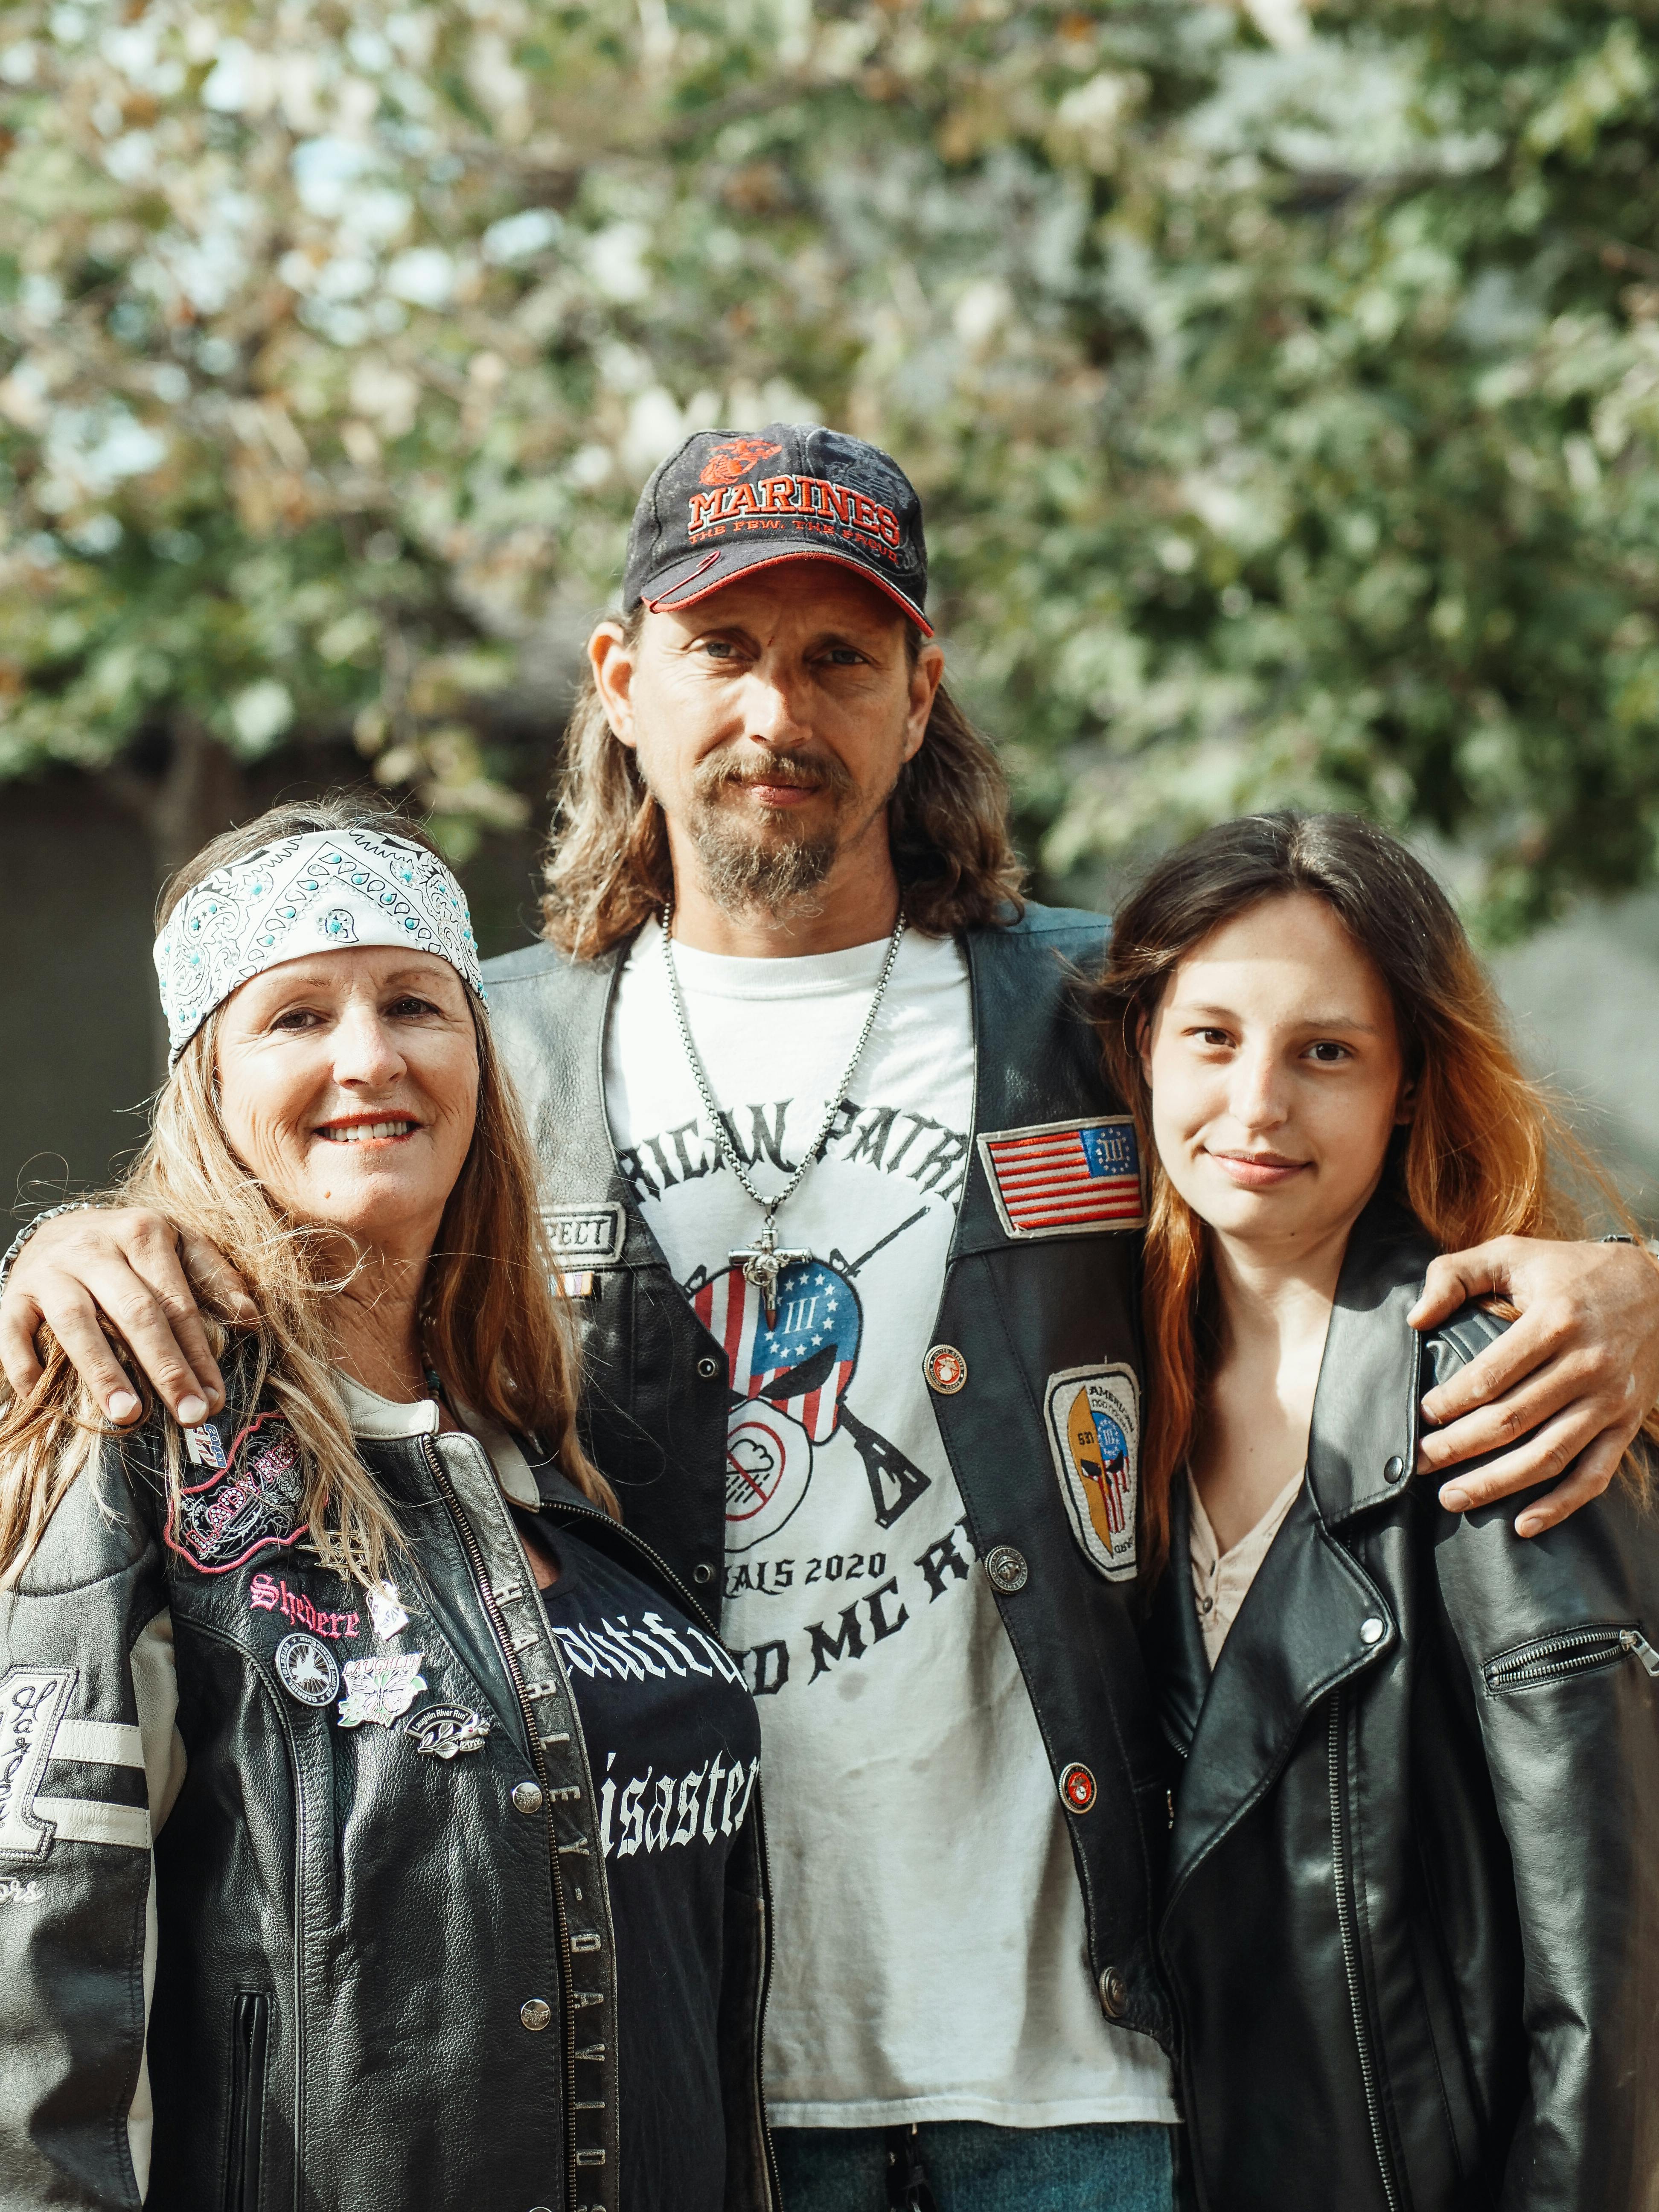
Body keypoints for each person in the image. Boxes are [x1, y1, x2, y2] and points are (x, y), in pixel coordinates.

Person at [6, 428, 1659, 2212]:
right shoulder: (487, 1052)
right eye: (724, 650)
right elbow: (270, 1199)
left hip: (1079, 2075)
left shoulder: (1099, 1017)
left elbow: (1354, 1185)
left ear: (918, 691)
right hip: (676, 2090)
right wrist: (71, 1252)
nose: (777, 711)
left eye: (839, 657)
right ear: (622, 680)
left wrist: (1627, 1285)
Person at [0, 805, 772, 2212]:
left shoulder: (561, 1444)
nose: (372, 1056)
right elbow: (32, 2004)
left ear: (480, 1053)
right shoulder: (138, 1440)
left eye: (416, 1002)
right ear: (208, 1084)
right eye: (296, 1016)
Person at [1093, 811, 1659, 2211]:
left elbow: (1607, 1963)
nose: (1259, 1108)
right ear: (1143, 1052)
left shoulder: (1498, 1390)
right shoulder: (1105, 1378)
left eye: (1325, 1051)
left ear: (1409, 1083)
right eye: (1213, 1038)